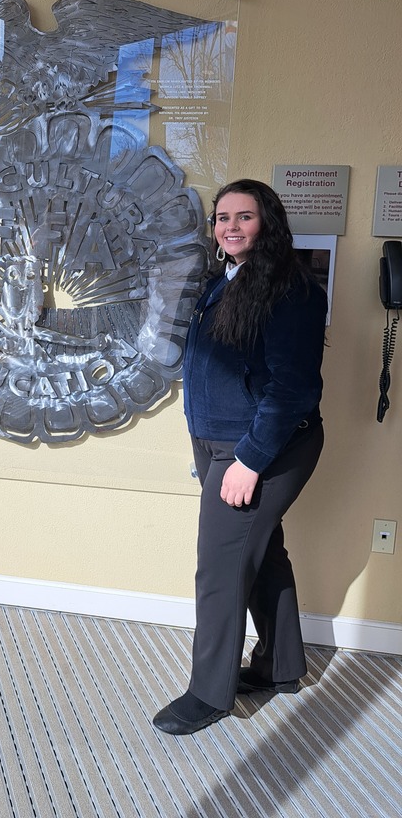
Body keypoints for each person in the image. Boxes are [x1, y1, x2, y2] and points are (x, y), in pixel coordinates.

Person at [152, 179, 327, 735]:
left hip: (261, 447)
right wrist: (202, 447)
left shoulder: (292, 289)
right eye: (221, 217)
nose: (229, 226)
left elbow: (292, 390)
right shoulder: (221, 281)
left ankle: (210, 695)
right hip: (218, 445)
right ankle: (280, 665)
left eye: (243, 216)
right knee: (262, 552)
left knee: (221, 569)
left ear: (267, 222)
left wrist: (248, 462)